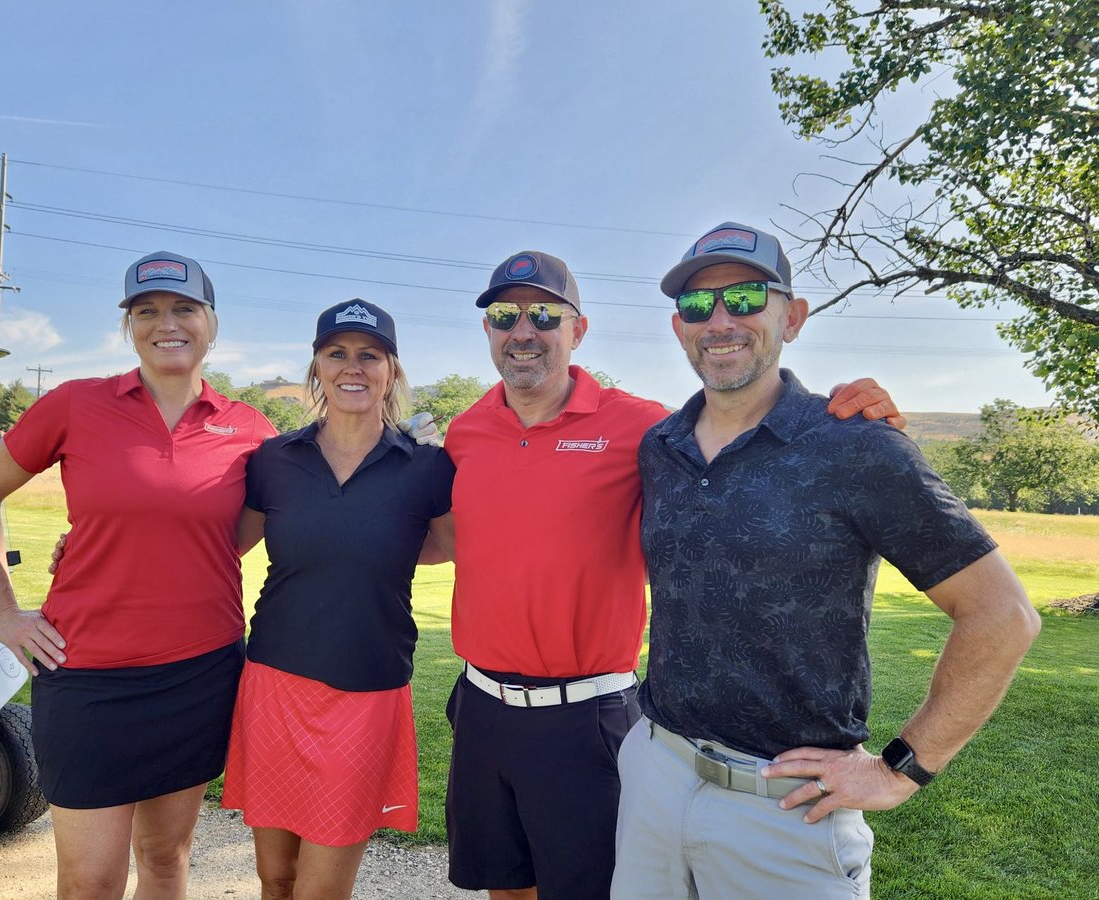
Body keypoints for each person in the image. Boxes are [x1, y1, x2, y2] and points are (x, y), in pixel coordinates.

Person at [440, 250, 906, 900]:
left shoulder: (642, 427)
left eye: (545, 314)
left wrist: (844, 417)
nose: (524, 330)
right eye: (504, 315)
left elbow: (743, 426)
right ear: (489, 330)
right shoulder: (466, 431)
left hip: (588, 716)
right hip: (481, 706)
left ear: (577, 329)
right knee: (505, 885)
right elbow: (448, 531)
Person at [610, 222, 1041, 899]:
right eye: (699, 305)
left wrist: (902, 769)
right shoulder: (659, 446)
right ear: (678, 328)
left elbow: (1003, 615)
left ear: (794, 316)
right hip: (654, 772)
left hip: (786, 805)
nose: (720, 319)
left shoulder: (857, 448)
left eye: (747, 297)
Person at [0, 251, 276, 899]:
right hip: (86, 676)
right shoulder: (76, 405)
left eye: (185, 308)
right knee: (90, 879)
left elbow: (241, 533)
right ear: (129, 325)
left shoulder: (249, 429)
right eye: (147, 310)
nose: (168, 323)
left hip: (198, 674)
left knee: (165, 858)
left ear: (211, 324)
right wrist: (3, 612)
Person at [220, 299, 455, 900]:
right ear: (317, 368)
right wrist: (92, 544)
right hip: (275, 683)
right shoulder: (275, 460)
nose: (353, 367)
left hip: (367, 690)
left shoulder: (426, 467)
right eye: (337, 353)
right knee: (276, 880)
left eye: (369, 355)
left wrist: (376, 547)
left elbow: (446, 547)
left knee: (321, 890)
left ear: (392, 371)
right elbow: (218, 547)